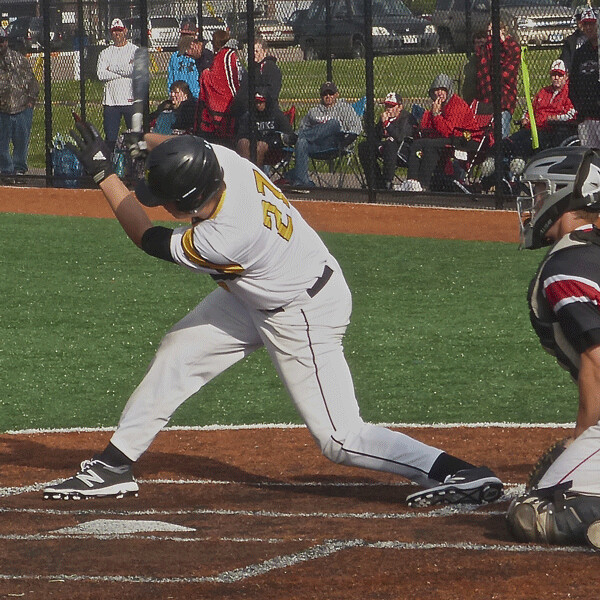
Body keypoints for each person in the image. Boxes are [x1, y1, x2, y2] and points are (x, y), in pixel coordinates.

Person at [42, 117, 504, 509]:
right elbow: (187, 145)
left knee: (340, 439)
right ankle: (115, 464)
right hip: (266, 289)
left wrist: (105, 174)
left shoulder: (222, 237)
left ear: (187, 201)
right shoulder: (223, 163)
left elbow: (147, 237)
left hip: (301, 312)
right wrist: (143, 142)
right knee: (180, 350)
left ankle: (454, 472)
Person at [508, 146, 600, 550]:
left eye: (542, 191)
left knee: (536, 514)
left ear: (568, 196)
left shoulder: (567, 265)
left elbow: (597, 360)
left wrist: (582, 436)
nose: (534, 202)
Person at [398, 74, 477, 192]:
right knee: (419, 143)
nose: (439, 93)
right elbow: (425, 128)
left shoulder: (456, 104)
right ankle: (413, 182)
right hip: (450, 138)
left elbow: (447, 131)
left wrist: (436, 115)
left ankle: (422, 184)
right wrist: (431, 113)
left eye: (443, 90)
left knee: (428, 144)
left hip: (465, 139)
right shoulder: (439, 105)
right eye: (436, 90)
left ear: (449, 90)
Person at [279, 81, 362, 188]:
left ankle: (295, 137)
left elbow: (357, 127)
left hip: (333, 144)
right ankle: (302, 182)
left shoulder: (345, 109)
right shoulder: (314, 111)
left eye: (330, 93)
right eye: (325, 94)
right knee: (302, 141)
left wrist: (346, 142)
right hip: (315, 145)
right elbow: (303, 126)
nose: (328, 96)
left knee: (333, 123)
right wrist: (304, 136)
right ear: (321, 96)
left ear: (336, 94)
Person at [504, 59, 576, 161]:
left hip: (550, 131)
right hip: (532, 128)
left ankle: (518, 165)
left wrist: (556, 118)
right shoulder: (543, 91)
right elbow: (530, 109)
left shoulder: (569, 93)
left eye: (559, 75)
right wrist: (525, 118)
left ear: (566, 77)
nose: (556, 78)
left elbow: (572, 114)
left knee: (523, 144)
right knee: (509, 141)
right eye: (553, 75)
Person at [0, 25, 39, 179]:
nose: (1, 44)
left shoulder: (19, 59)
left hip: (22, 107)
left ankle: (19, 169)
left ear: (7, 41)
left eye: (3, 41)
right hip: (2, 110)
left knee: (21, 143)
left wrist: (30, 102)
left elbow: (33, 82)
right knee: (2, 144)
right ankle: (6, 170)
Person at [357, 91, 417, 190]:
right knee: (364, 146)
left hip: (403, 149)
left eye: (391, 106)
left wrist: (387, 124)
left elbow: (400, 137)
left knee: (390, 143)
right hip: (386, 147)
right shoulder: (384, 118)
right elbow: (375, 136)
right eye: (387, 106)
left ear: (400, 107)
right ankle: (375, 181)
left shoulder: (406, 118)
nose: (388, 109)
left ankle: (387, 182)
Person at [96, 18, 138, 153]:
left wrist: (111, 67)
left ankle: (135, 167)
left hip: (130, 100)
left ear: (125, 31)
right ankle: (111, 167)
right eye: (114, 31)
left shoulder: (134, 50)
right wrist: (123, 71)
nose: (117, 34)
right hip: (111, 102)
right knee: (110, 138)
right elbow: (101, 74)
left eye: (119, 31)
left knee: (135, 137)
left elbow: (133, 70)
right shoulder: (105, 52)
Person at [196, 29, 243, 148]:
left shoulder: (225, 56)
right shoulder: (230, 54)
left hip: (228, 104)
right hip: (234, 101)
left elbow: (220, 81)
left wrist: (205, 74)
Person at [476, 21, 521, 139]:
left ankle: (503, 155)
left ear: (503, 31)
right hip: (488, 99)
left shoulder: (513, 46)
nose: (490, 36)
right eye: (489, 32)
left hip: (504, 99)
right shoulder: (487, 47)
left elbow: (505, 74)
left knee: (501, 136)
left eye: (493, 32)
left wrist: (502, 43)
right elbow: (483, 71)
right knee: (486, 136)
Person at [235, 92, 294, 168]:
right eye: (256, 102)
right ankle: (246, 172)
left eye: (261, 102)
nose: (258, 105)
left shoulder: (277, 115)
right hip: (253, 143)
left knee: (260, 146)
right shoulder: (249, 115)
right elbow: (242, 133)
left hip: (274, 149)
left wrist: (273, 140)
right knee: (242, 143)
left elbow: (289, 135)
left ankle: (256, 174)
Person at [568, 7, 600, 148]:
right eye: (585, 24)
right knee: (589, 155)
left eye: (591, 24)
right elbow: (573, 82)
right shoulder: (581, 53)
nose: (588, 28)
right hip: (586, 116)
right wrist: (579, 106)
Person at [166, 34, 200, 99]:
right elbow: (170, 77)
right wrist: (171, 93)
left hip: (195, 95)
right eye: (183, 35)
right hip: (179, 95)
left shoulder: (197, 56)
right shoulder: (176, 56)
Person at [461, 29, 487, 106]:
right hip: (470, 99)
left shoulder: (489, 60)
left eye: (482, 43)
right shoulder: (469, 62)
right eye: (477, 43)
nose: (479, 46)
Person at [254, 36, 282, 105]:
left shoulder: (270, 67)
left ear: (264, 51)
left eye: (257, 51)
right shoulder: (254, 68)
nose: (254, 54)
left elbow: (273, 91)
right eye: (253, 51)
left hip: (268, 107)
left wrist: (258, 92)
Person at [560, 5, 588, 73]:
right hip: (576, 74)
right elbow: (565, 61)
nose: (581, 22)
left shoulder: (596, 39)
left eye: (585, 20)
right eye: (579, 19)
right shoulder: (570, 41)